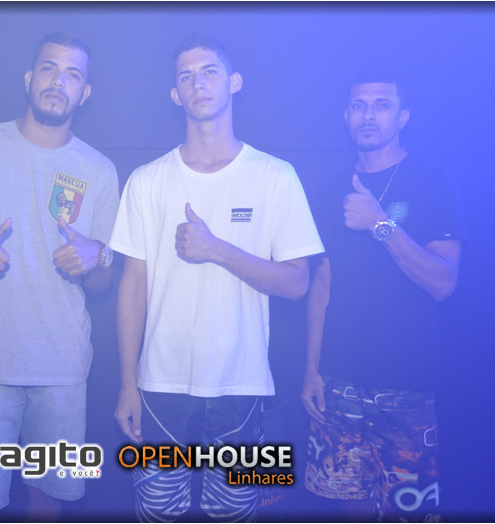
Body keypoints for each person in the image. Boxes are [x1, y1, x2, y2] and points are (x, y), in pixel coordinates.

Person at [111, 34, 324, 522]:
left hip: (241, 383)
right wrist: (126, 383)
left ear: (234, 82)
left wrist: (217, 250)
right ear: (175, 94)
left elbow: (297, 283)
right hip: (159, 383)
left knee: (233, 513)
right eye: (186, 76)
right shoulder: (146, 180)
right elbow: (131, 287)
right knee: (156, 512)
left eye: (209, 72)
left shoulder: (275, 176)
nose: (198, 84)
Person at [0, 32, 119, 521]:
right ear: (30, 78)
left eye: (72, 75)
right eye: (49, 69)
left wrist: (96, 257)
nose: (59, 82)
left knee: (48, 501)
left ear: (85, 93)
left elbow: (103, 282)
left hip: (63, 369)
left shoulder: (99, 170)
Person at [300, 78, 465, 522]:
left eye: (382, 105)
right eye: (358, 105)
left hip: (405, 386)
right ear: (346, 117)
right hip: (339, 383)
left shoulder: (432, 182)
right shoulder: (328, 191)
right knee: (346, 508)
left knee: (409, 513)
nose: (368, 114)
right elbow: (322, 284)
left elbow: (443, 282)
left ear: (402, 117)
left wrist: (380, 223)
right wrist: (312, 369)